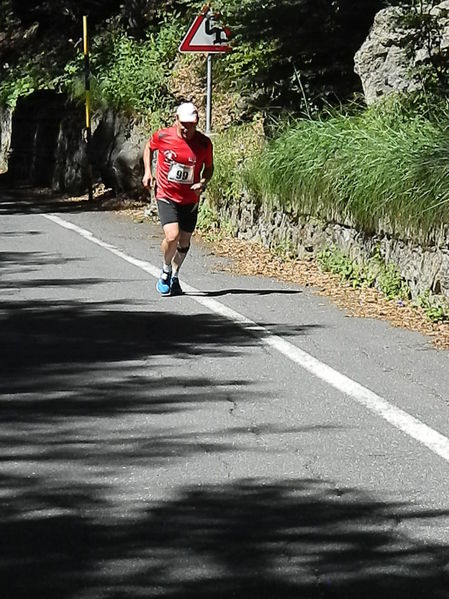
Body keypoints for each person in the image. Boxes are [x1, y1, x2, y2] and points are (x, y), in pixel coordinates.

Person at [142, 102, 214, 296]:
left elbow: (209, 167)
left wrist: (203, 182)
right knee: (172, 236)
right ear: (176, 119)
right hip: (166, 194)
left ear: (197, 122)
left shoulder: (204, 143)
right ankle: (165, 271)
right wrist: (148, 172)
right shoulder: (164, 136)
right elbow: (149, 147)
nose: (186, 127)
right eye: (182, 123)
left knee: (184, 242)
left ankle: (175, 275)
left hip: (190, 198)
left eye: (190, 124)